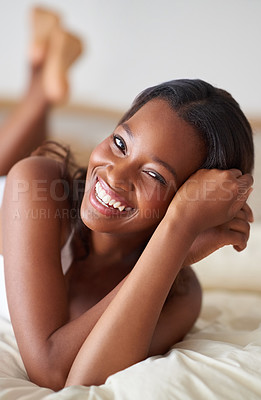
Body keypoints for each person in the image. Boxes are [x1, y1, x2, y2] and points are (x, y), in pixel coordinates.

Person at [0, 8, 254, 392]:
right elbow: (48, 369)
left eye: (154, 175)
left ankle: (44, 73)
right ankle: (41, 85)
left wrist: (178, 237)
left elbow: (81, 382)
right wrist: (177, 239)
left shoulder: (181, 296)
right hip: (16, 196)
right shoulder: (38, 183)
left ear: (191, 202)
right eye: (119, 142)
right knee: (20, 169)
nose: (115, 175)